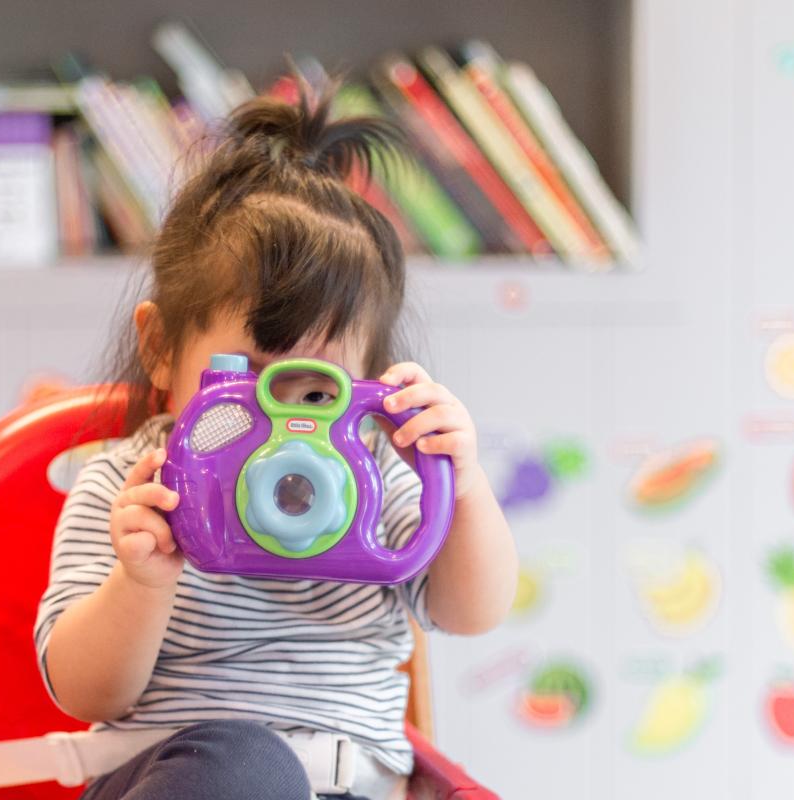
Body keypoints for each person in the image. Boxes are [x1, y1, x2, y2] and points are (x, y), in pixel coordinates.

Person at [34, 77, 518, 800]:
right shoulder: (131, 486)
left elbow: (470, 613)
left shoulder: (374, 478)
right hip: (181, 779)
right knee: (239, 765)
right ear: (161, 348)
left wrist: (464, 484)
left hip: (352, 785)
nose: (283, 429)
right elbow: (84, 693)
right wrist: (142, 582)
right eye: (245, 387)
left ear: (370, 388)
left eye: (318, 393)